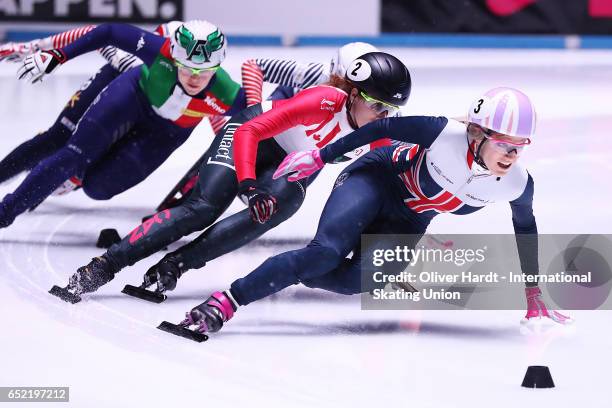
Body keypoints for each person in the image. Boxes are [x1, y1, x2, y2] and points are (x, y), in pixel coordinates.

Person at [172, 87, 572, 335]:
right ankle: (226, 301)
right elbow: (380, 130)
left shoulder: (517, 183)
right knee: (324, 254)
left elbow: (526, 229)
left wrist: (532, 290)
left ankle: (295, 269)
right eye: (505, 143)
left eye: (521, 146)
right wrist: (321, 156)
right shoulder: (442, 132)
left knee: (349, 283)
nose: (512, 155)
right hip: (375, 180)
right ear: (478, 133)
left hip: (410, 219)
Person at [51, 52, 412, 304]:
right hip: (252, 133)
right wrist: (248, 183)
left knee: (272, 211)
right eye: (377, 104)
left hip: (289, 160)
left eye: (392, 110)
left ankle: (176, 264)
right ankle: (106, 265)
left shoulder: (378, 132)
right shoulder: (322, 100)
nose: (383, 115)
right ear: (352, 95)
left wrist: (392, 257)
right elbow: (249, 130)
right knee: (203, 208)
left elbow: (395, 191)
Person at [0, 21, 247, 228]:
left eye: (204, 71)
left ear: (217, 66)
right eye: (186, 68)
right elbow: (105, 33)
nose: (194, 78)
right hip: (130, 90)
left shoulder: (227, 95)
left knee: (98, 188)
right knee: (66, 149)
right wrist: (51, 52)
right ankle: (5, 212)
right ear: (173, 56)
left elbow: (246, 123)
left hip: (166, 131)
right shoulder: (156, 49)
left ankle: (78, 174)